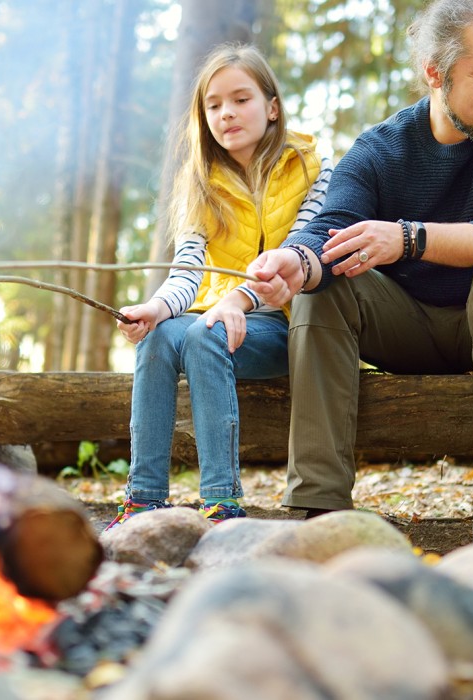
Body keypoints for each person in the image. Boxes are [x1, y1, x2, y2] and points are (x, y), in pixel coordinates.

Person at [245, 0, 473, 542]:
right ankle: (320, 516)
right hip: (408, 325)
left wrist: (408, 238)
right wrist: (294, 260)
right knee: (322, 286)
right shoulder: (380, 148)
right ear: (435, 74)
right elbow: (330, 230)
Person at [104, 43, 332, 531]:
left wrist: (237, 299)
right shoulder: (201, 182)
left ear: (272, 107)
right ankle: (144, 497)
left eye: (241, 99)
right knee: (160, 335)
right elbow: (188, 270)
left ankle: (221, 502)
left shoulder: (315, 168)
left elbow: (293, 259)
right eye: (213, 105)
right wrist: (156, 309)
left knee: (207, 332)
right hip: (223, 320)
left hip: (296, 325)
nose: (226, 112)